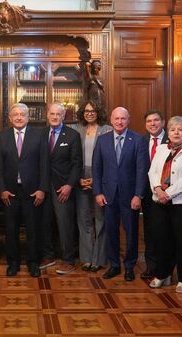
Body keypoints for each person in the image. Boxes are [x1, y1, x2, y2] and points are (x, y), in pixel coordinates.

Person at [93, 107, 149, 282]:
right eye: (116, 118)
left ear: (128, 120)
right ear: (111, 120)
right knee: (111, 231)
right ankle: (115, 265)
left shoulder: (138, 140)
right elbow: (97, 169)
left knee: (131, 232)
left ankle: (130, 266)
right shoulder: (102, 140)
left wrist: (138, 195)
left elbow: (142, 170)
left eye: (123, 119)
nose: (119, 122)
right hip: (108, 195)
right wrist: (98, 192)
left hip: (130, 195)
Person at [147, 116, 182, 293]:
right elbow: (152, 171)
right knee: (161, 239)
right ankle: (163, 274)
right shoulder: (162, 149)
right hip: (159, 201)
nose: (176, 133)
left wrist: (168, 193)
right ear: (167, 132)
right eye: (172, 129)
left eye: (180, 130)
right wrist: (157, 189)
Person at [0, 103, 49, 277]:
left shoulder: (39, 135)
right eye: (15, 115)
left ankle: (33, 262)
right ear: (10, 118)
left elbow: (44, 164)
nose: (19, 117)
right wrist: (2, 189)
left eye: (22, 114)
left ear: (28, 117)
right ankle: (13, 262)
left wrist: (42, 188)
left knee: (33, 229)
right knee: (11, 230)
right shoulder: (2, 136)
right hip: (10, 192)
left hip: (33, 191)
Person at [39, 103, 82, 274]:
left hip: (62, 187)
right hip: (43, 187)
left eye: (58, 114)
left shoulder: (72, 135)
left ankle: (68, 259)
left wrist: (69, 185)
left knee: (65, 224)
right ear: (47, 115)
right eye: (52, 114)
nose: (55, 117)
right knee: (45, 222)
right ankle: (48, 255)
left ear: (64, 116)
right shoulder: (40, 134)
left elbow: (76, 164)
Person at [74, 100, 112, 273]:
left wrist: (96, 180)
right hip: (80, 176)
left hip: (102, 177)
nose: (89, 113)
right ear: (83, 112)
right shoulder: (77, 129)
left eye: (93, 110)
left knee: (101, 219)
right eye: (86, 110)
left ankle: (99, 258)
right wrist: (78, 178)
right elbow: (72, 157)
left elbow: (111, 160)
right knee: (84, 220)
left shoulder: (107, 130)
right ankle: (87, 258)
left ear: (99, 112)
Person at [140, 109, 169, 280]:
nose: (152, 124)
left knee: (166, 232)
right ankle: (151, 266)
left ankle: (166, 268)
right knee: (150, 231)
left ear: (163, 122)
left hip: (169, 194)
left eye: (156, 120)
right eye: (149, 121)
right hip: (147, 193)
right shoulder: (141, 140)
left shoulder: (174, 138)